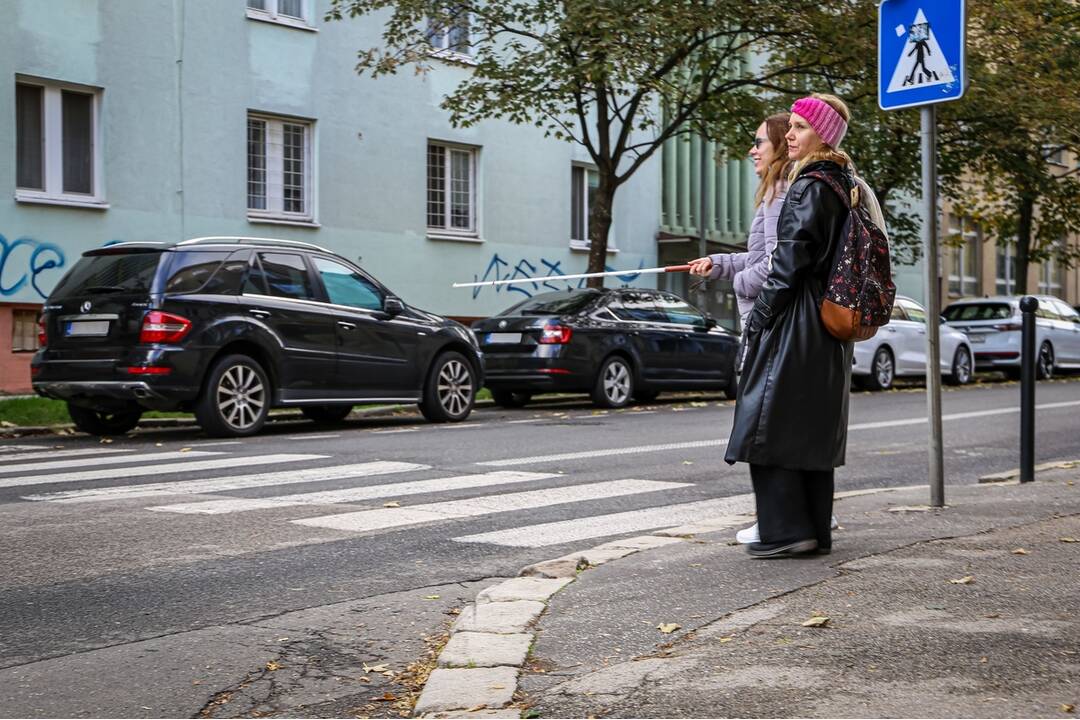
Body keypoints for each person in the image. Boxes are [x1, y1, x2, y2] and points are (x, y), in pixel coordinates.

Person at [688, 112, 837, 545]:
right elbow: (765, 257)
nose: (754, 150)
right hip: (801, 322)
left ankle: (782, 526)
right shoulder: (806, 186)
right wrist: (720, 264)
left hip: (779, 322)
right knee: (794, 424)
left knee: (765, 425)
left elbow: (779, 264)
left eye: (760, 142)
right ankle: (802, 524)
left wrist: (744, 293)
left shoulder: (785, 192)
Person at [724, 93, 859, 558]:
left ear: (822, 134)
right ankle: (813, 530)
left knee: (766, 426)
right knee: (808, 430)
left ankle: (785, 531)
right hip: (824, 324)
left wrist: (759, 318)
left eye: (801, 127)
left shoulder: (808, 185)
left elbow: (788, 262)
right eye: (792, 126)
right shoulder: (842, 182)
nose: (791, 136)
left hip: (795, 319)